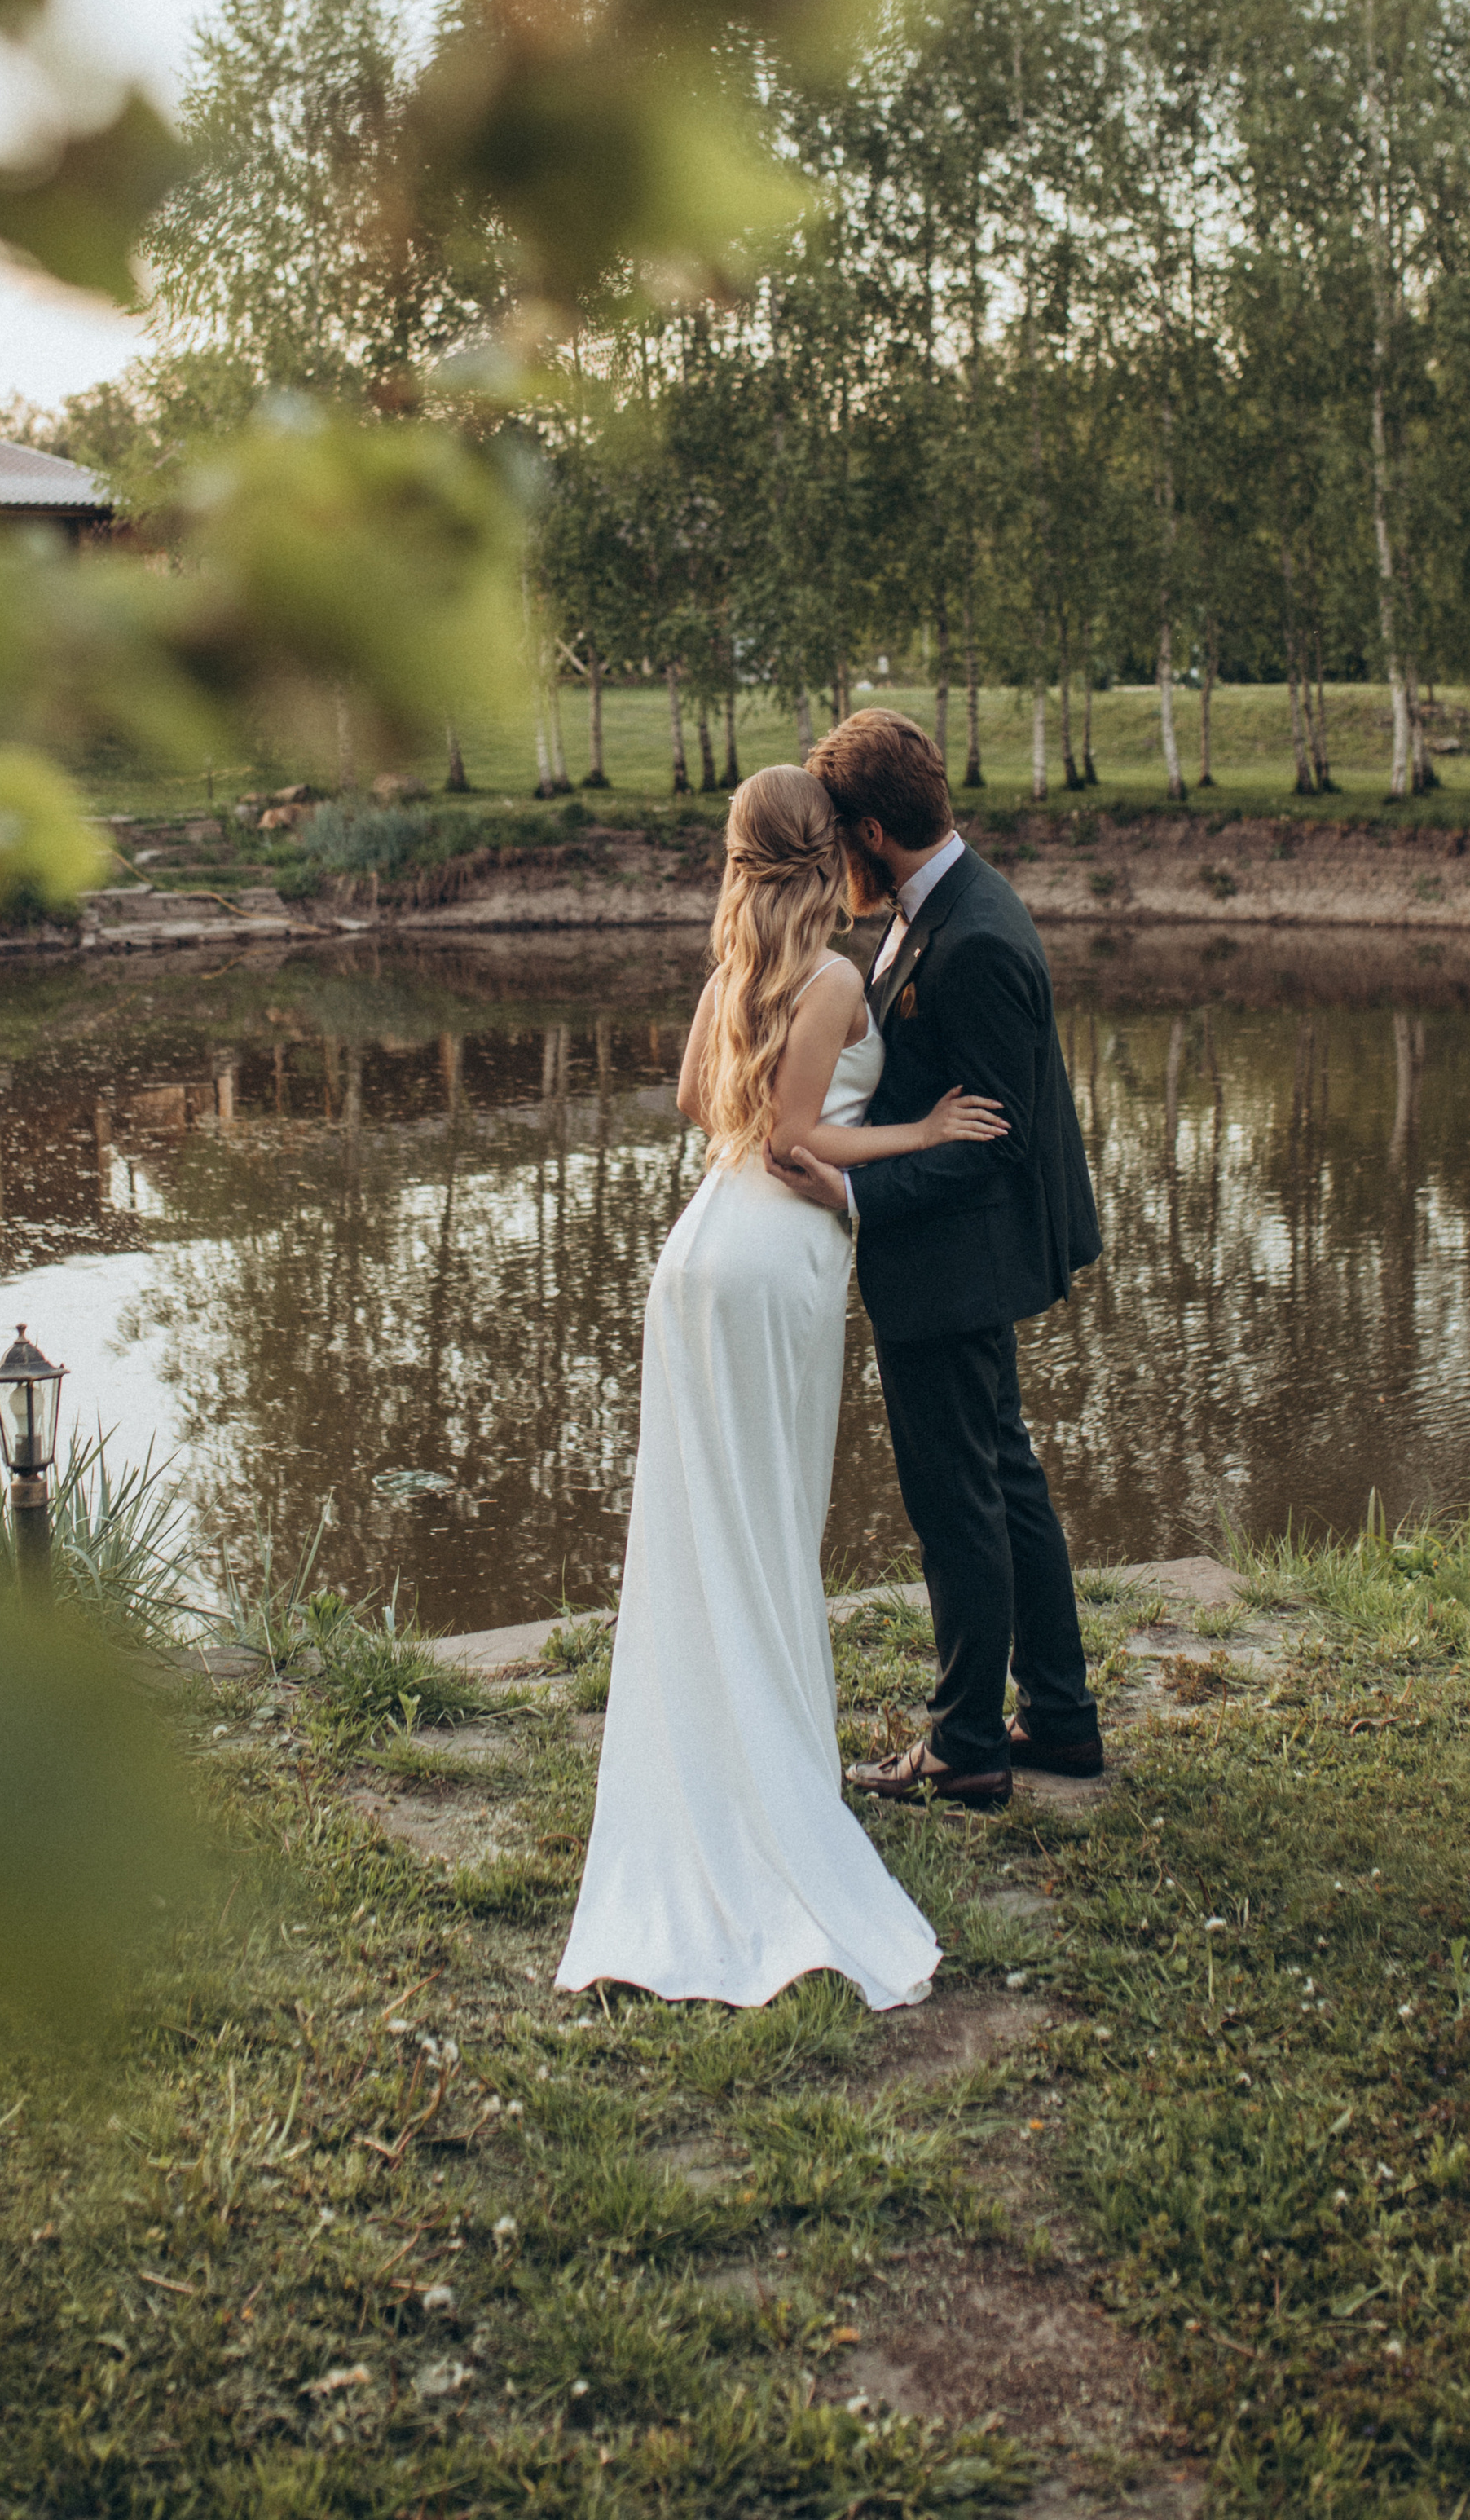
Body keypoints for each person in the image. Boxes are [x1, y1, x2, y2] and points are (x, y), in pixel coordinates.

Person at [555, 763, 1006, 2011]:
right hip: (772, 1266)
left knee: (705, 1527)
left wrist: (777, 1111)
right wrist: (919, 1133)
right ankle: (773, 1784)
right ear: (830, 852)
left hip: (696, 1252)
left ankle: (717, 1762)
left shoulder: (735, 972)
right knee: (766, 1525)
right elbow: (800, 1141)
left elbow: (713, 1108)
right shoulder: (833, 978)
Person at [768, 708, 1103, 1811]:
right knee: (1004, 1485)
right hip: (954, 1262)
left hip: (957, 1266)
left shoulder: (979, 942)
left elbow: (991, 1140)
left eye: (837, 842)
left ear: (870, 830)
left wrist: (855, 1189)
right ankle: (1057, 1716)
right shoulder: (940, 907)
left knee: (961, 1502)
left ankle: (966, 1748)